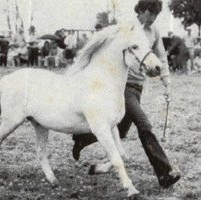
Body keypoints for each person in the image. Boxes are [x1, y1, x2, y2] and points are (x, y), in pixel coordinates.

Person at [72, 0, 180, 188]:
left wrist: (167, 83)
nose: (153, 18)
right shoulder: (127, 27)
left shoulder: (154, 31)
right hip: (122, 87)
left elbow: (161, 57)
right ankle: (164, 173)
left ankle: (82, 138)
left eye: (156, 14)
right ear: (141, 10)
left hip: (139, 87)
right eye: (150, 13)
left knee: (118, 130)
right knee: (144, 125)